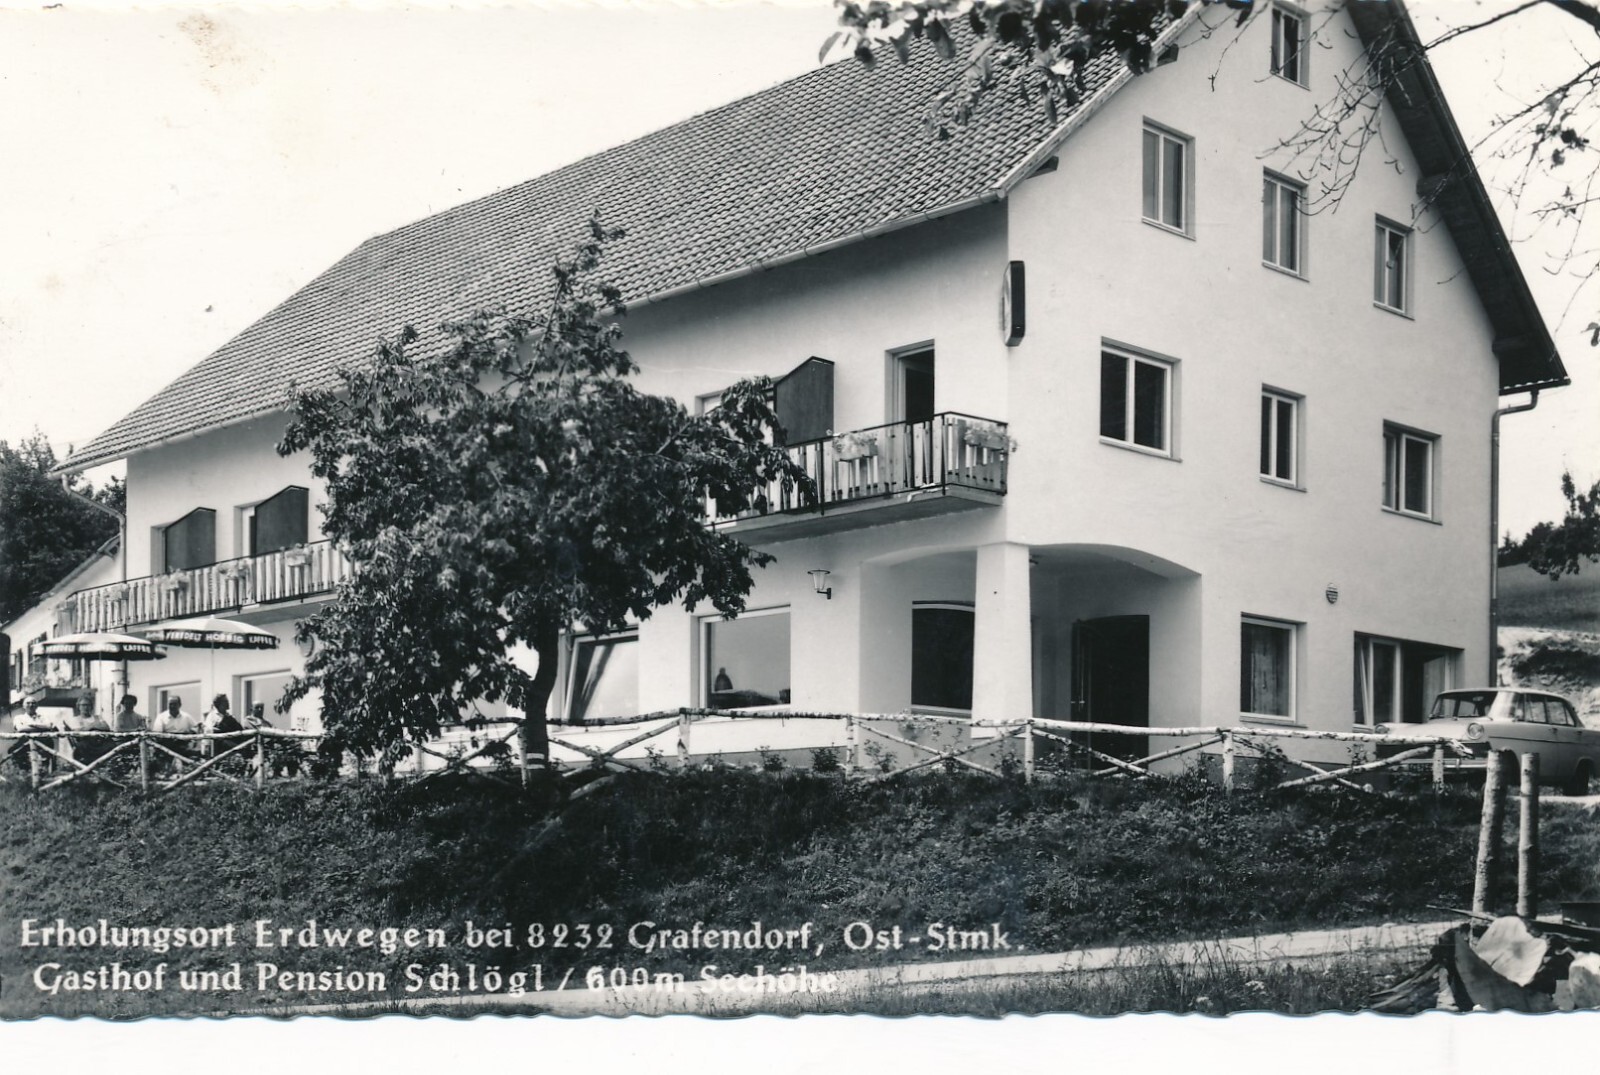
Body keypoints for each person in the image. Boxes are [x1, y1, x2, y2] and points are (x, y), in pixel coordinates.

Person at [154, 696, 199, 770]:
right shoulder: (161, 717)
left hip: (183, 745)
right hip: (167, 745)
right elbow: (157, 733)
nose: (172, 706)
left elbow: (196, 727)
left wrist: (190, 734)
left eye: (175, 704)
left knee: (189, 764)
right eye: (170, 704)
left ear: (180, 705)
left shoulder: (186, 717)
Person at [65, 696, 112, 767]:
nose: (85, 707)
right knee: (83, 745)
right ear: (79, 707)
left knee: (111, 744)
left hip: (100, 742)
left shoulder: (98, 717)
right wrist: (94, 725)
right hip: (86, 744)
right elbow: (78, 732)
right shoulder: (76, 719)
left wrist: (90, 727)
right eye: (83, 705)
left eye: (88, 705)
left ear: (91, 707)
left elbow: (106, 727)